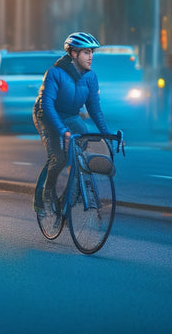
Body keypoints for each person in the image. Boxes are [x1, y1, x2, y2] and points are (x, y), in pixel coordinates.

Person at [32, 32, 110, 214]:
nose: (91, 57)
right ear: (74, 54)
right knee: (57, 159)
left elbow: (94, 108)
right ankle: (44, 195)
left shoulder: (91, 77)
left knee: (81, 155)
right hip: (47, 116)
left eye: (92, 52)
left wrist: (106, 134)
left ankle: (66, 200)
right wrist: (62, 131)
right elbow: (47, 104)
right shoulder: (55, 73)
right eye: (86, 52)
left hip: (72, 116)